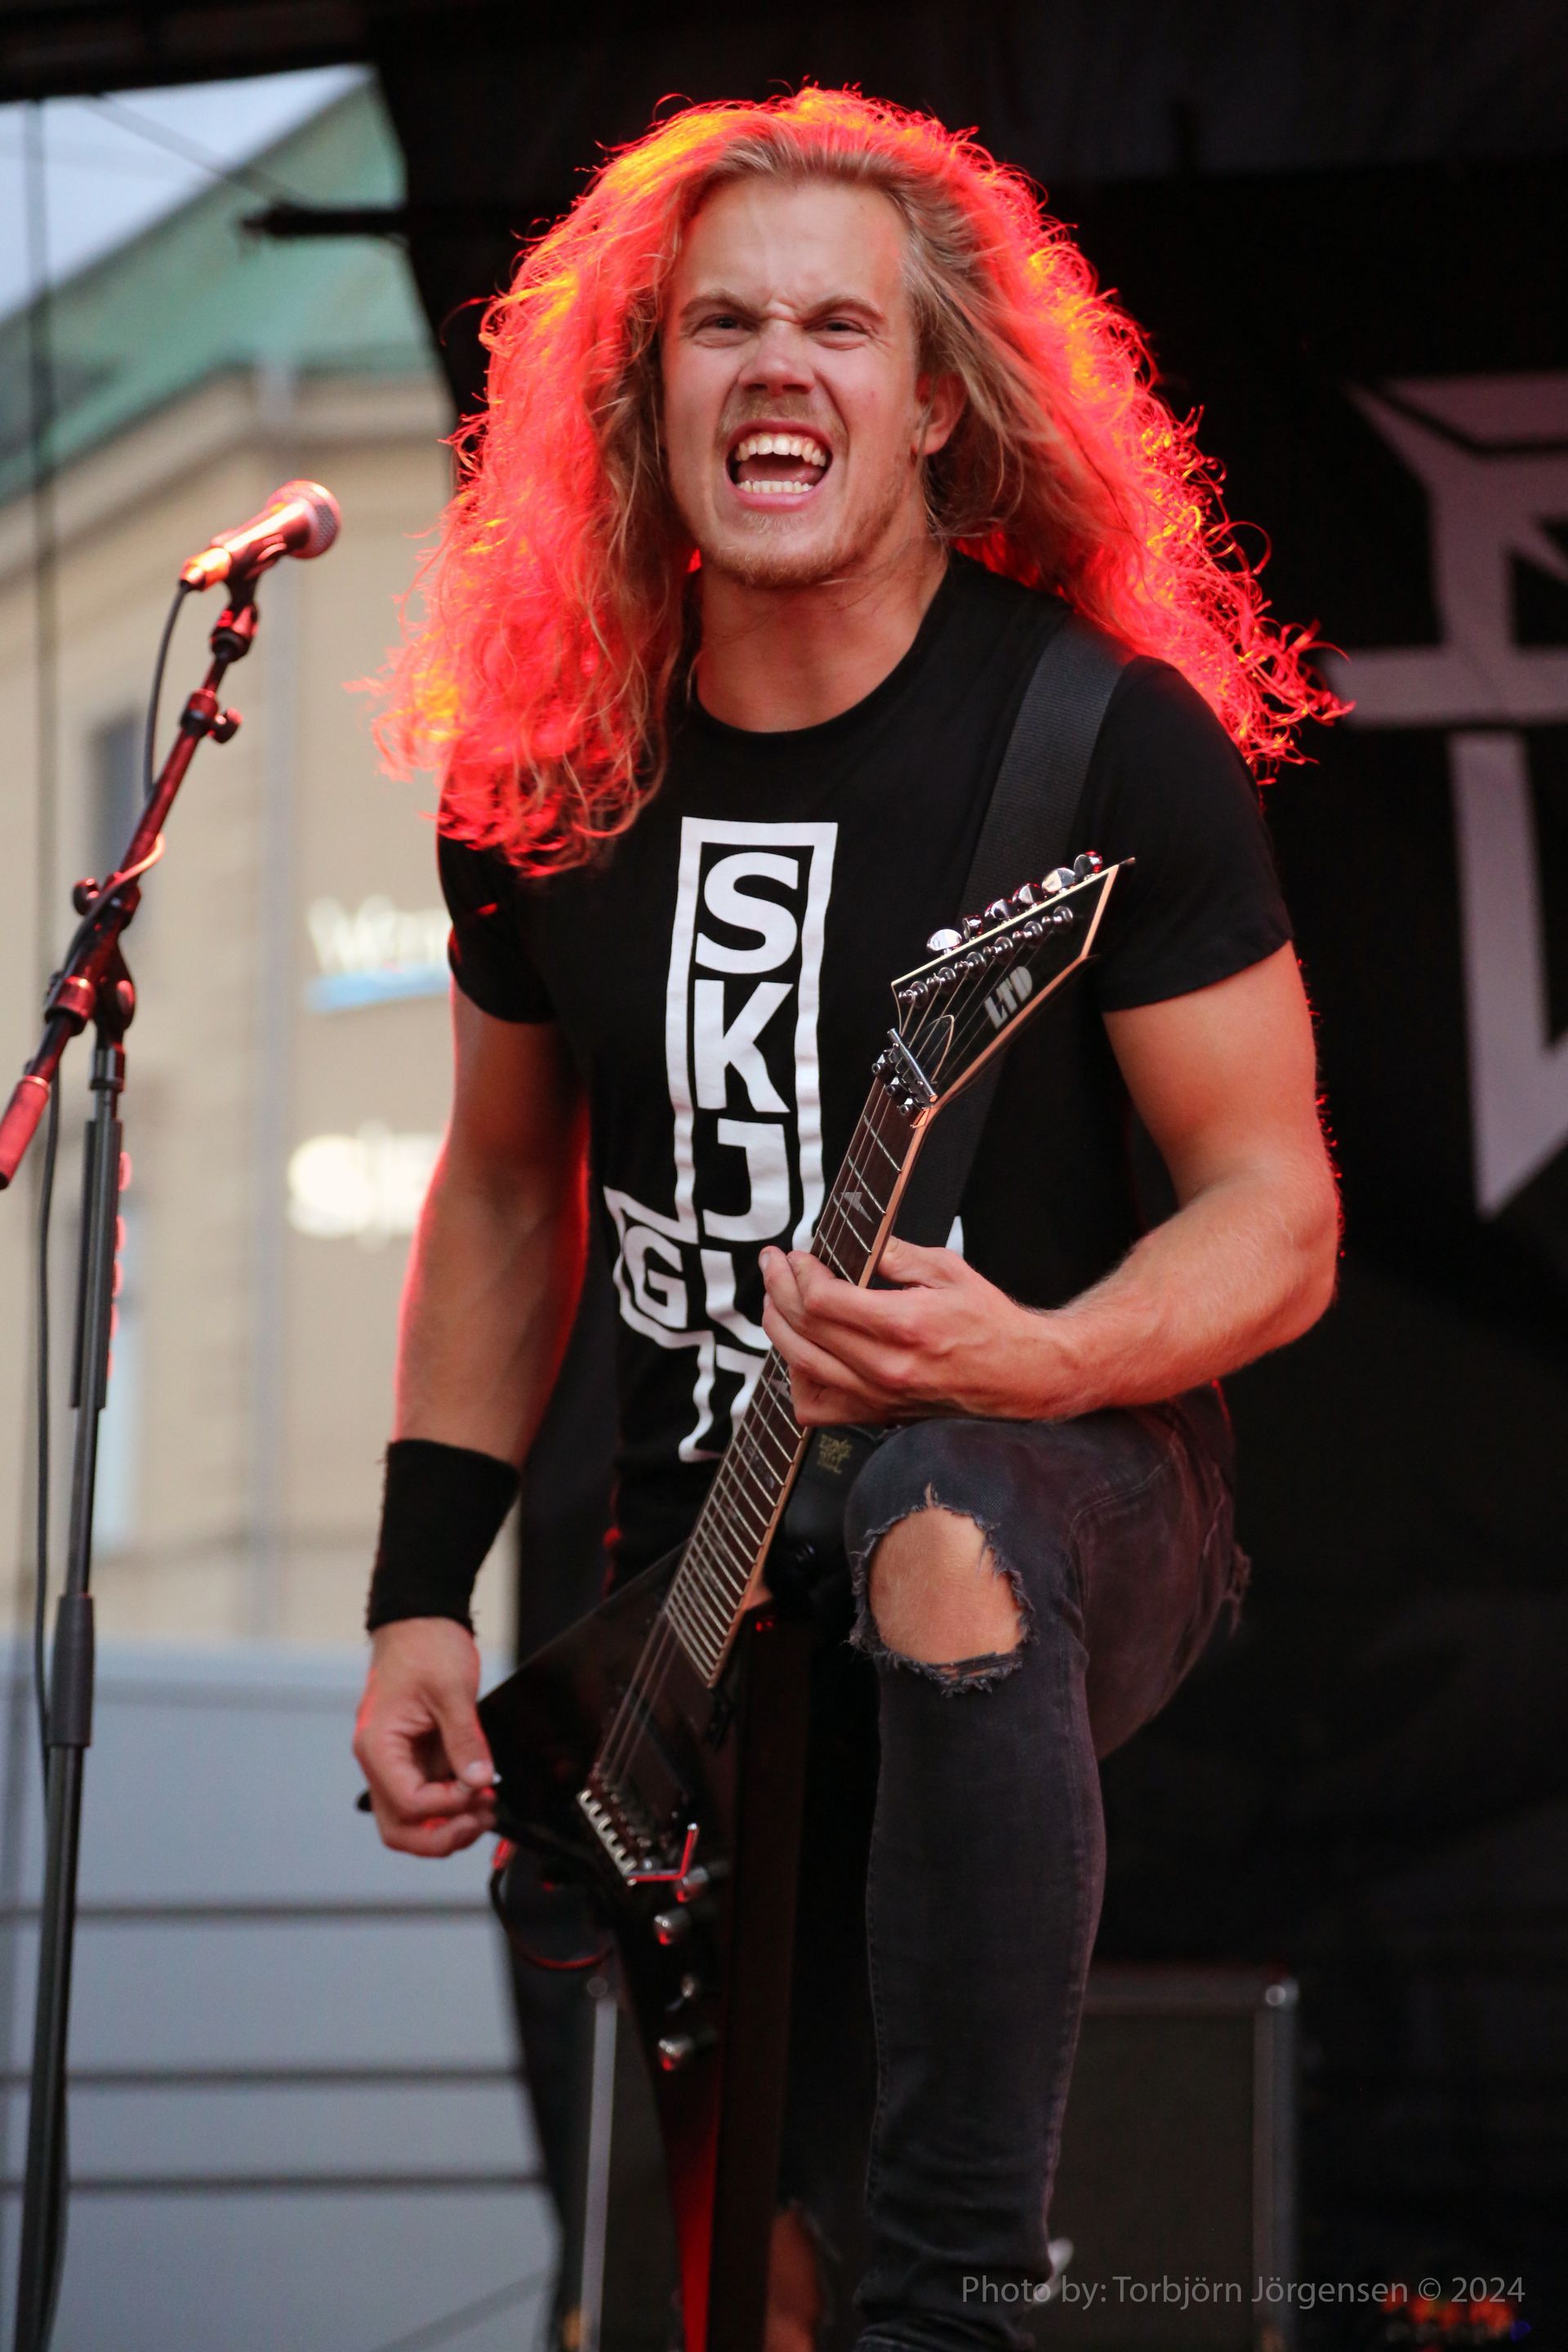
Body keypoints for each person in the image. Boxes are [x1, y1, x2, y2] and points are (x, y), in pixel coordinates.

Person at [352, 87, 1340, 2352]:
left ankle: (959, 2305)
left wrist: (1040, 1354)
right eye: (722, 324)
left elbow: (1276, 1214)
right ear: (646, 394)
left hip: (1075, 1482)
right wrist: (418, 1593)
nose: (775, 367)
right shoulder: (551, 774)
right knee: (745, 2271)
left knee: (943, 1520)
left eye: (837, 326)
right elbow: (502, 1192)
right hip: (708, 1576)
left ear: (934, 404)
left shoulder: (1096, 749)